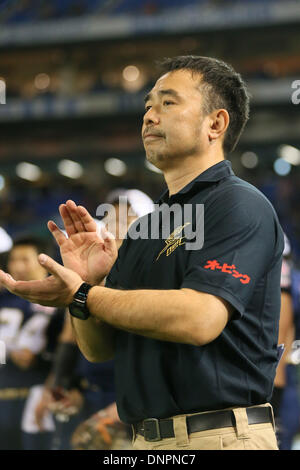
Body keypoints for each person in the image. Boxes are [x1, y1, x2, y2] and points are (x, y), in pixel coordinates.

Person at [0, 56, 284, 450]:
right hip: (143, 441)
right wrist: (88, 285)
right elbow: (99, 349)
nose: (149, 116)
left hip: (218, 436)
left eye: (168, 103)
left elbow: (200, 319)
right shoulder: (148, 226)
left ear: (215, 124)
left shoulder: (238, 204)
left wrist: (83, 295)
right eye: (148, 105)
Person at [0, 236, 64, 450]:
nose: (17, 266)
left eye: (25, 259)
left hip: (39, 394)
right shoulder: (3, 299)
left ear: (44, 261)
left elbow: (68, 350)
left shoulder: (60, 299)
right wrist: (8, 354)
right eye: (13, 259)